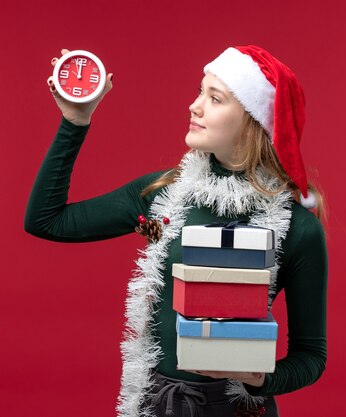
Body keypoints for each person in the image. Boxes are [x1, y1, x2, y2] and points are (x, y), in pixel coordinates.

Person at [25, 45, 328, 417]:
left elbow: (311, 357)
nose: (195, 106)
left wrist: (260, 379)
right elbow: (46, 220)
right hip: (155, 404)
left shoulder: (297, 228)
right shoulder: (162, 195)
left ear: (253, 119)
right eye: (200, 91)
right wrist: (75, 121)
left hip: (237, 409)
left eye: (214, 98)